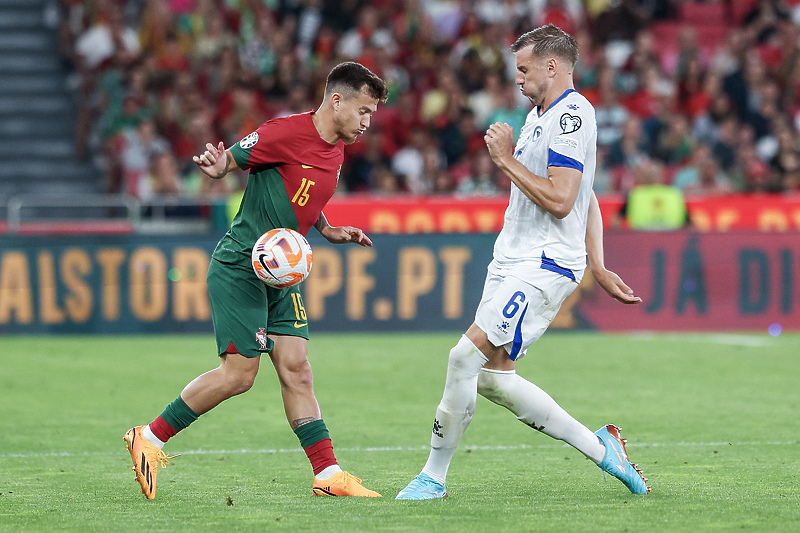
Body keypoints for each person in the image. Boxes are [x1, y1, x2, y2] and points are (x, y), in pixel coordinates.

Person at [396, 25, 650, 500]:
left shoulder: (573, 115)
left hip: (546, 265)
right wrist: (598, 261)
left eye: (524, 68)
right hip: (513, 258)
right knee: (493, 378)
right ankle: (604, 451)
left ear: (552, 67)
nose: (518, 77)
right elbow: (587, 194)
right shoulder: (540, 114)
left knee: (462, 358)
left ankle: (432, 477)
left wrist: (505, 159)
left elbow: (561, 199)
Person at [124, 62, 388, 499]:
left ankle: (328, 473)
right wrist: (218, 165)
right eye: (363, 111)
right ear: (336, 100)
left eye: (371, 115)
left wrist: (325, 229)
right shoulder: (284, 132)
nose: (367, 122)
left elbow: (299, 194)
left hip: (283, 273)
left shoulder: (337, 148)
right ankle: (148, 438)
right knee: (239, 375)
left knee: (296, 369)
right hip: (242, 265)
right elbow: (234, 158)